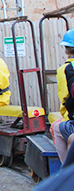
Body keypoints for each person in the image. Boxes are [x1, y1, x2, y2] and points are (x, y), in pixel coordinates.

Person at [50, 29, 74, 163]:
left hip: (70, 117)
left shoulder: (64, 70)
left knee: (55, 127)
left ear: (66, 49)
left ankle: (65, 170)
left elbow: (65, 97)